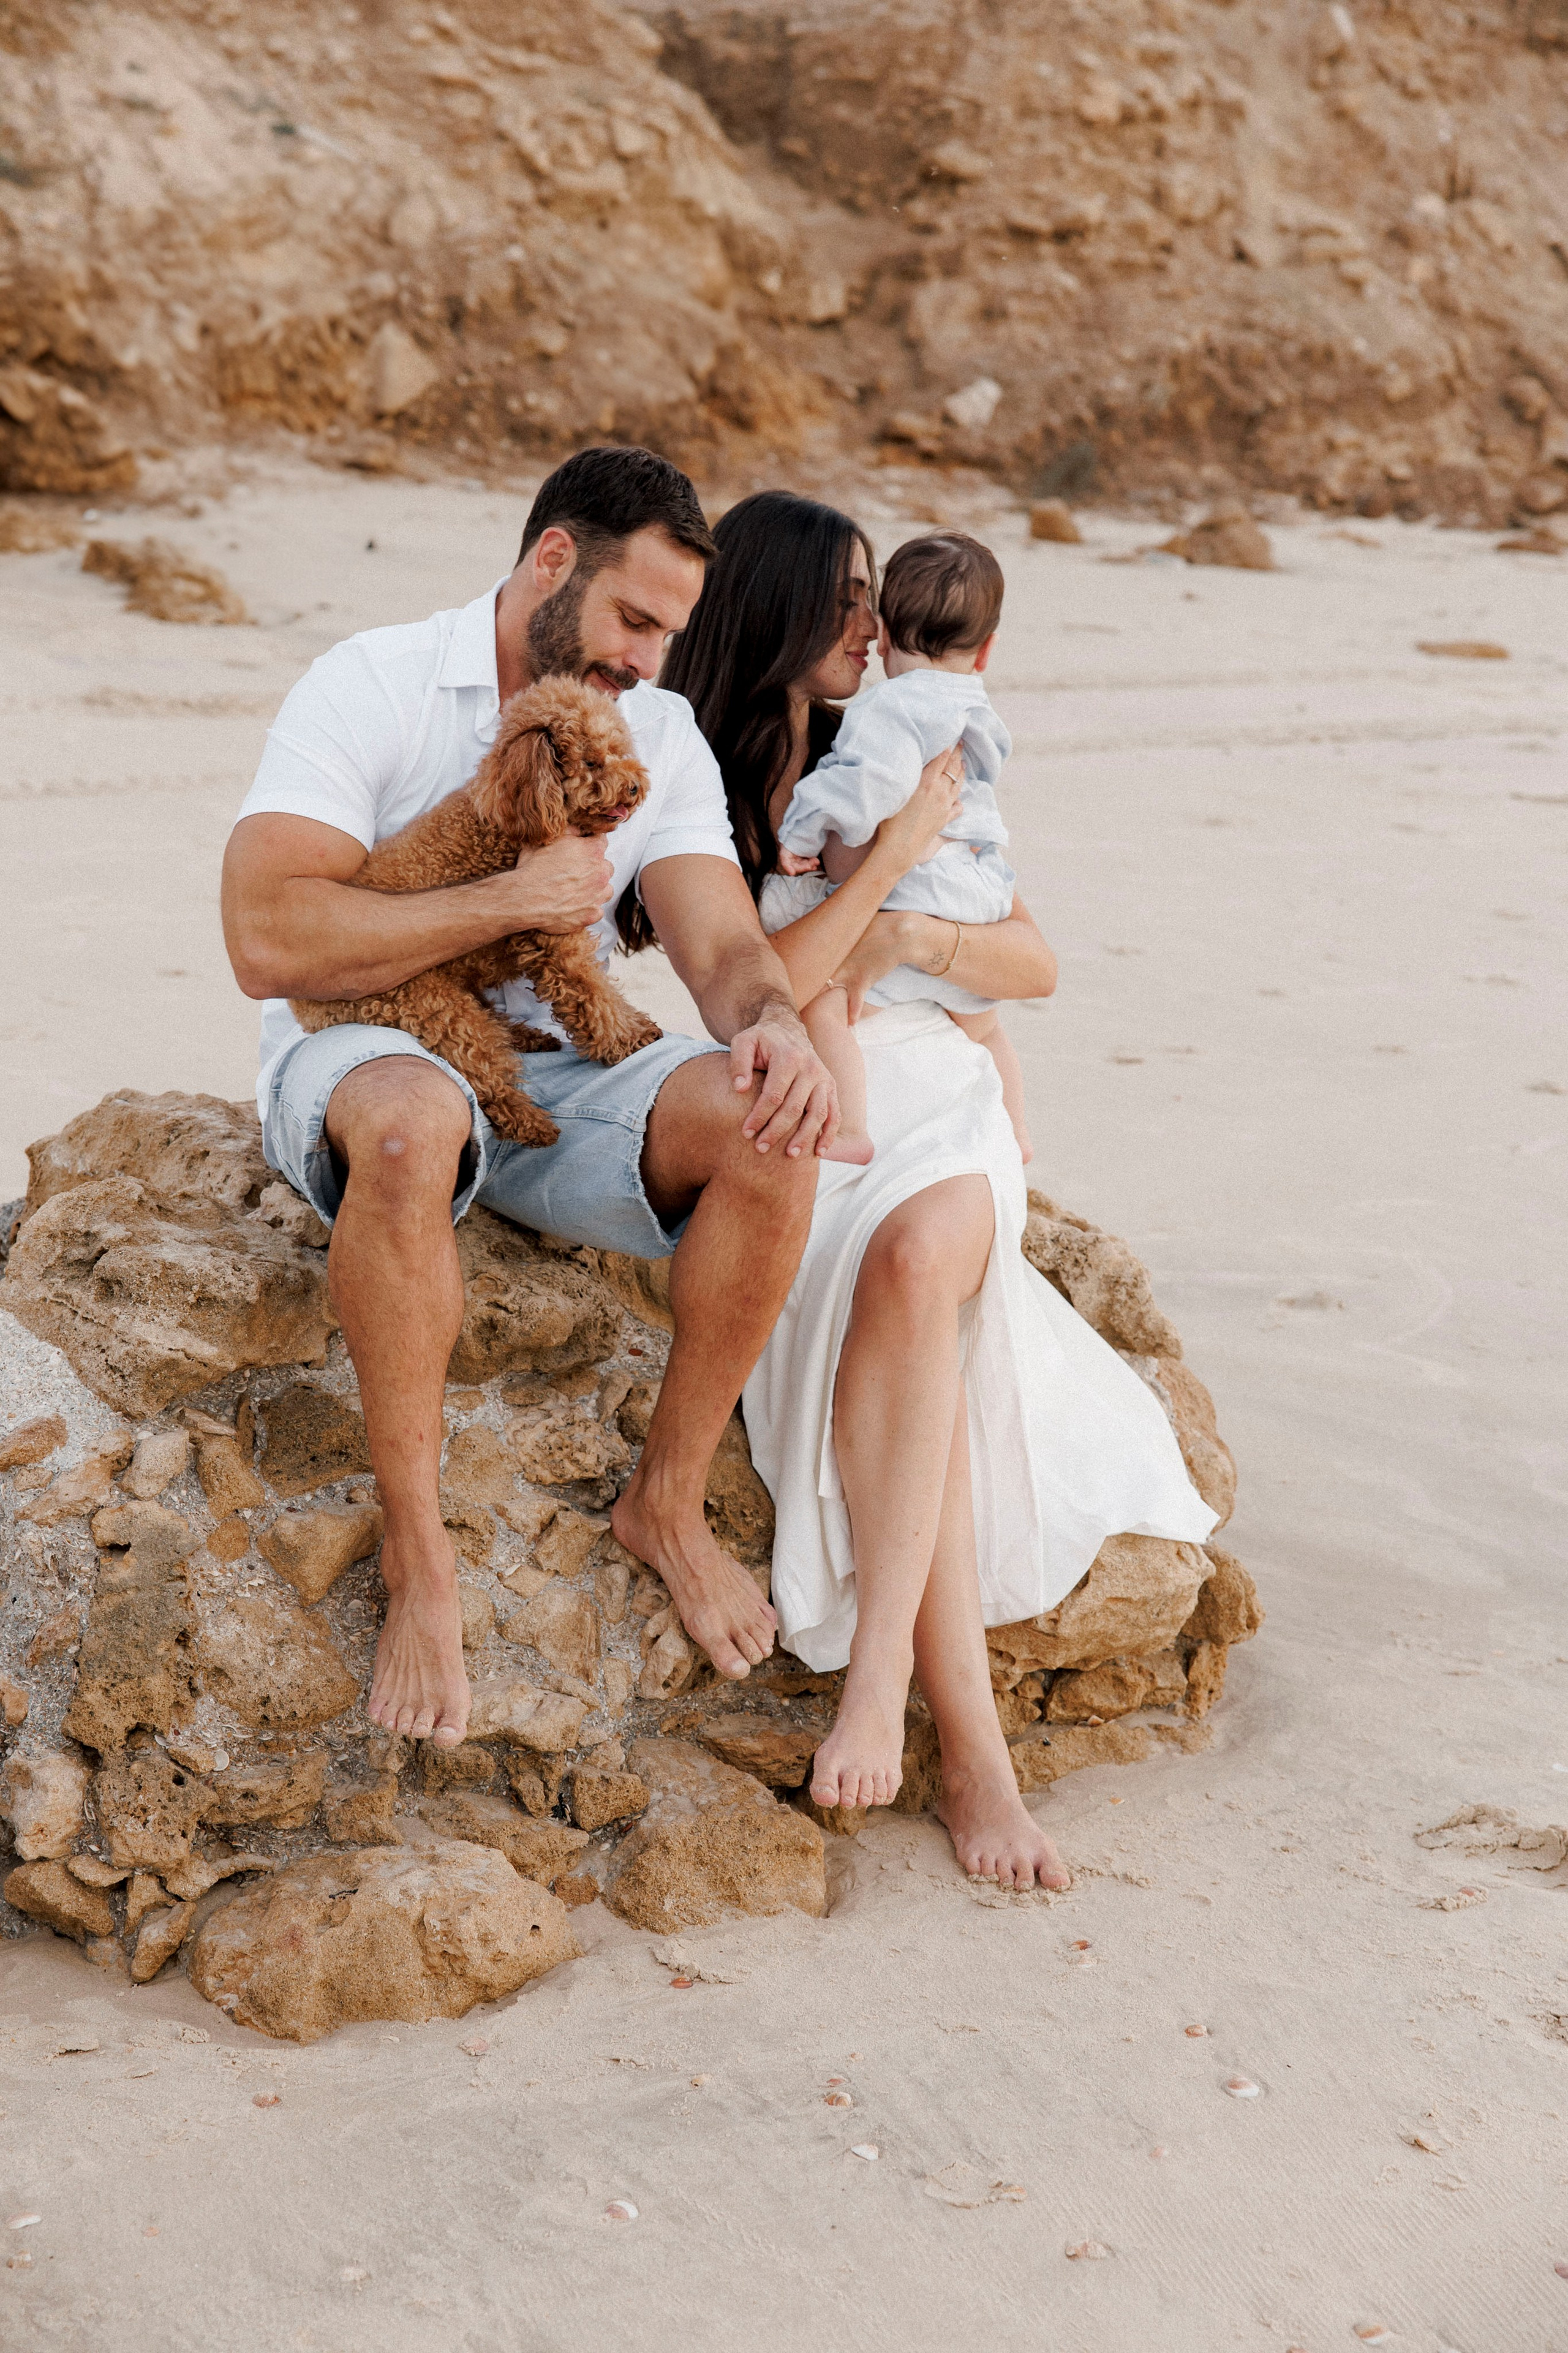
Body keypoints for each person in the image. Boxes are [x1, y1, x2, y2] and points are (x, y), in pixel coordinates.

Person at [221, 447, 839, 1749]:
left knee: (768, 1128)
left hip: (559, 1063)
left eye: (670, 635)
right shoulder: (374, 681)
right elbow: (265, 936)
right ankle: (419, 1560)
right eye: (632, 621)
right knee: (410, 1123)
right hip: (363, 1040)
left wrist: (777, 1029)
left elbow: (719, 948)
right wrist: (507, 900)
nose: (646, 661)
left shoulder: (655, 732)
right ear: (553, 560)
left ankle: (662, 1501)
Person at [663, 489, 1219, 1890]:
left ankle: (889, 1702)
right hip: (806, 1090)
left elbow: (1027, 961)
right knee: (897, 1287)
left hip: (935, 1086)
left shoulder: (903, 738)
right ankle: (967, 1745)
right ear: (783, 613)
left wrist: (908, 923)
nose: (873, 625)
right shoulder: (702, 793)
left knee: (922, 1259)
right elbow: (772, 994)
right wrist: (894, 873)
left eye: (878, 598)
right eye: (847, 598)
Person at [767, 529, 1033, 1163]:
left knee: (827, 1007)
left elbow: (871, 786)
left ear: (884, 635)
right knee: (985, 1023)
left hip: (923, 880)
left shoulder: (891, 707)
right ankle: (1017, 1131)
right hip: (980, 879)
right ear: (988, 649)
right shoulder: (975, 705)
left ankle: (851, 1128)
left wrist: (802, 831)